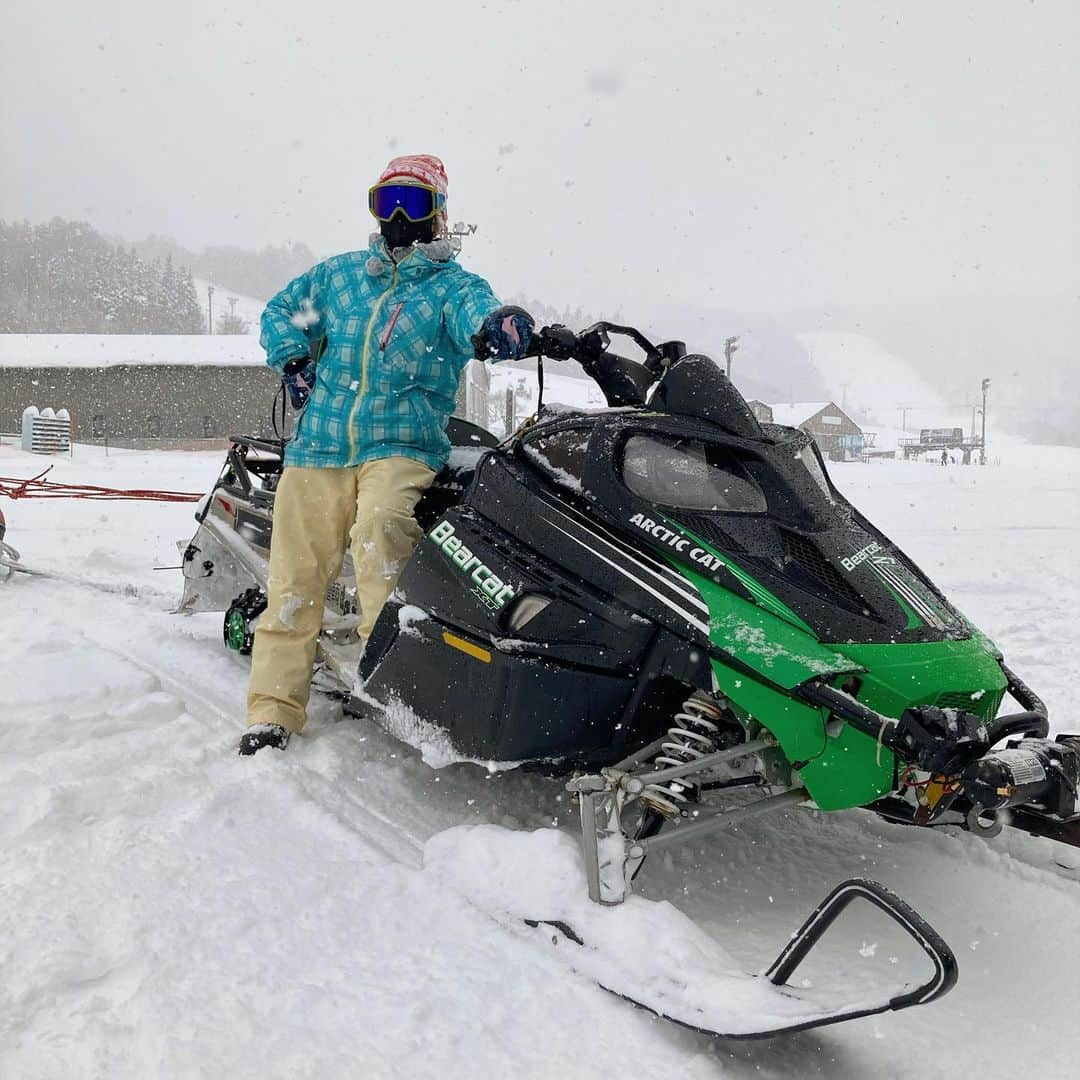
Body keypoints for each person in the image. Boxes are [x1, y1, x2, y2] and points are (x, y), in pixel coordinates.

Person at [240, 154, 533, 755]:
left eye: (415, 204)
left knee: (380, 530)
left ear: (439, 214)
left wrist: (497, 324)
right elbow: (280, 313)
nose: (400, 216)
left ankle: (387, 687)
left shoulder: (454, 289)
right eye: (387, 202)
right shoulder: (340, 278)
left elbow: (476, 317)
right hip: (319, 445)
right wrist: (294, 358)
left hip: (401, 443)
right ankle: (272, 710)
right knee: (294, 578)